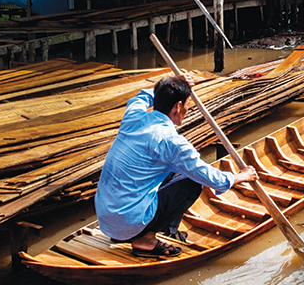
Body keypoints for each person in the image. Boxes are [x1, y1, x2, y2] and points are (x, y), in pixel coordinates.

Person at [94, 74, 257, 257]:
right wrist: (241, 176)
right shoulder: (172, 142)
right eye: (187, 103)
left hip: (107, 220)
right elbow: (211, 178)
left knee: (172, 172)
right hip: (129, 220)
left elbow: (138, 98)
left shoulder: (133, 117)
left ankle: (145, 231)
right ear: (178, 107)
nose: (188, 108)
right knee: (192, 183)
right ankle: (145, 240)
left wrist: (170, 86)